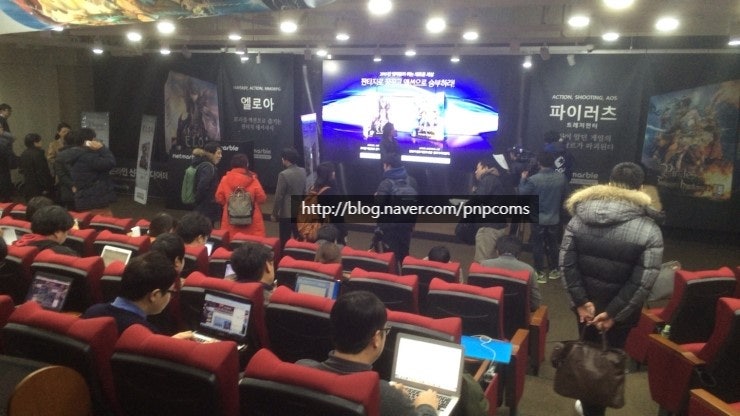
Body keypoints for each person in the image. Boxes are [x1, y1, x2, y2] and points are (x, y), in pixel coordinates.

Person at [560, 162, 663, 416]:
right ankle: (595, 409)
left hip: (585, 309)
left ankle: (588, 406)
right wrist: (614, 313)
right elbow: (643, 281)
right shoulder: (649, 229)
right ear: (640, 188)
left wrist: (581, 302)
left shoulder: (579, 217)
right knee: (608, 360)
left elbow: (566, 264)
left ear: (608, 183)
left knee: (585, 354)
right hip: (619, 315)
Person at [297, 291, 439, 416]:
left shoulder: (302, 369)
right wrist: (426, 406)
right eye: (386, 330)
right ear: (376, 338)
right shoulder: (385, 397)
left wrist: (388, 393)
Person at [82, 250, 194, 339]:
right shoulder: (147, 334)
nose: (171, 297)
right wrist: (166, 345)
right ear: (155, 295)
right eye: (171, 292)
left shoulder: (91, 312)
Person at [519, 152, 567, 282]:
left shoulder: (533, 179)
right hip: (554, 218)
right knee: (553, 245)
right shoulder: (561, 178)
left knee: (537, 245)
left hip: (537, 218)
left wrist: (523, 179)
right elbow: (565, 196)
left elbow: (522, 193)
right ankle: (554, 270)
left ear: (539, 163)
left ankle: (539, 272)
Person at [375, 153, 418, 265]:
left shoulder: (386, 183)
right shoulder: (411, 181)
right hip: (406, 226)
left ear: (388, 165)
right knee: (403, 255)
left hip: (389, 228)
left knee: (388, 258)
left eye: (384, 165)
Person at [480, 235, 542, 312]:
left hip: (489, 312)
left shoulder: (484, 265)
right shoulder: (528, 270)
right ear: (519, 254)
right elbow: (535, 303)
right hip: (517, 315)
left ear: (497, 251)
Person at [215, 153, 267, 237]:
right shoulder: (253, 179)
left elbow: (219, 197)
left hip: (230, 217)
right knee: (252, 242)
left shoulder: (225, 179)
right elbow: (262, 198)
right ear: (246, 164)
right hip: (251, 218)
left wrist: (230, 204)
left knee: (231, 241)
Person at [471, 156, 512, 263]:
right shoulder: (496, 179)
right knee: (493, 261)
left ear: (485, 168)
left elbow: (478, 201)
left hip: (488, 227)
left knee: (482, 261)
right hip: (497, 225)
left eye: (478, 168)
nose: (476, 171)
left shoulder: (488, 180)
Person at [67, 128, 117, 215]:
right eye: (94, 139)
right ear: (88, 142)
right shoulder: (89, 157)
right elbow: (110, 162)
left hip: (84, 198)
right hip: (95, 200)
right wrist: (102, 148)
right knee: (104, 222)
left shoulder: (76, 154)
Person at [271, 147, 306, 248]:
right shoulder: (303, 171)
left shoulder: (283, 174)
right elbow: (304, 191)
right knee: (299, 238)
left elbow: (279, 196)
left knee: (284, 240)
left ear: (286, 159)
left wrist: (274, 213)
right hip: (299, 210)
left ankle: (284, 257)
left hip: (287, 213)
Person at [12, 205, 78, 256]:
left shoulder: (19, 243)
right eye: (67, 231)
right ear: (57, 232)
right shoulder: (65, 254)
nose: (67, 234)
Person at [311, 161, 347, 244]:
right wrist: (344, 232)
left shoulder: (313, 188)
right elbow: (338, 217)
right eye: (333, 171)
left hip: (314, 229)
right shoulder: (332, 193)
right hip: (328, 232)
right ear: (330, 174)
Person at [191, 141, 223, 225]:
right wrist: (199, 200)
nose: (220, 156)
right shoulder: (208, 167)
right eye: (218, 153)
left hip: (204, 208)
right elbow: (202, 186)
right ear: (210, 153)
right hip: (206, 209)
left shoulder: (205, 165)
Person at [19, 133, 54, 201]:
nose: (42, 142)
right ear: (35, 143)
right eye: (40, 140)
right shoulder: (39, 154)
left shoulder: (24, 154)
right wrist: (46, 187)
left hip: (29, 185)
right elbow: (42, 172)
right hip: (39, 187)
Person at [53, 130, 77, 210]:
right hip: (83, 190)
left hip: (67, 189)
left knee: (71, 211)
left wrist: (71, 185)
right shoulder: (84, 153)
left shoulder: (60, 155)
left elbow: (61, 174)